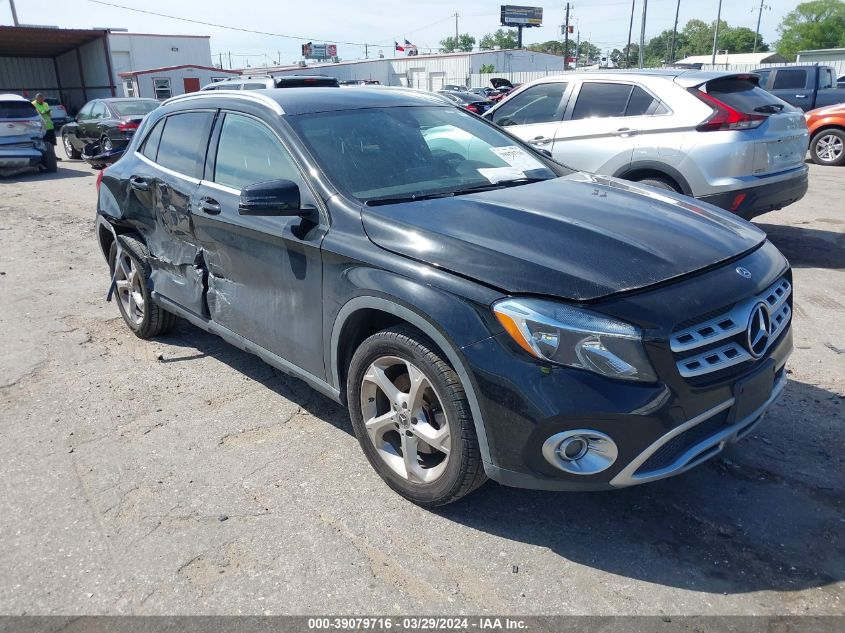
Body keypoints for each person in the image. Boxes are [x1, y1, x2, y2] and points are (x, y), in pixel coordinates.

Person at [31, 93, 61, 161]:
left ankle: (53, 156)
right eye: (40, 99)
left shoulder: (45, 104)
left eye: (43, 99)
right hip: (41, 127)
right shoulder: (33, 104)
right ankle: (44, 157)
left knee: (52, 142)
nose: (42, 100)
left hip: (49, 126)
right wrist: (44, 112)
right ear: (36, 99)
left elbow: (50, 114)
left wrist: (49, 112)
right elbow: (38, 114)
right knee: (43, 142)